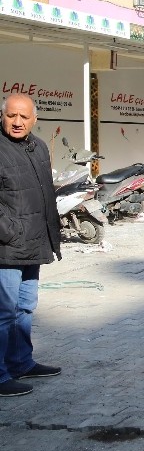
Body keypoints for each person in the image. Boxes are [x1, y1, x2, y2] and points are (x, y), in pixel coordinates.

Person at [0, 94, 62, 397]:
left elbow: (45, 193)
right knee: (4, 311)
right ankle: (1, 375)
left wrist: (53, 234)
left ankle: (21, 362)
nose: (17, 122)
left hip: (34, 243)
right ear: (2, 116)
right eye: (12, 115)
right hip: (6, 247)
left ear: (34, 119)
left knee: (25, 307)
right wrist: (8, 231)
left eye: (24, 117)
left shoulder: (38, 147)